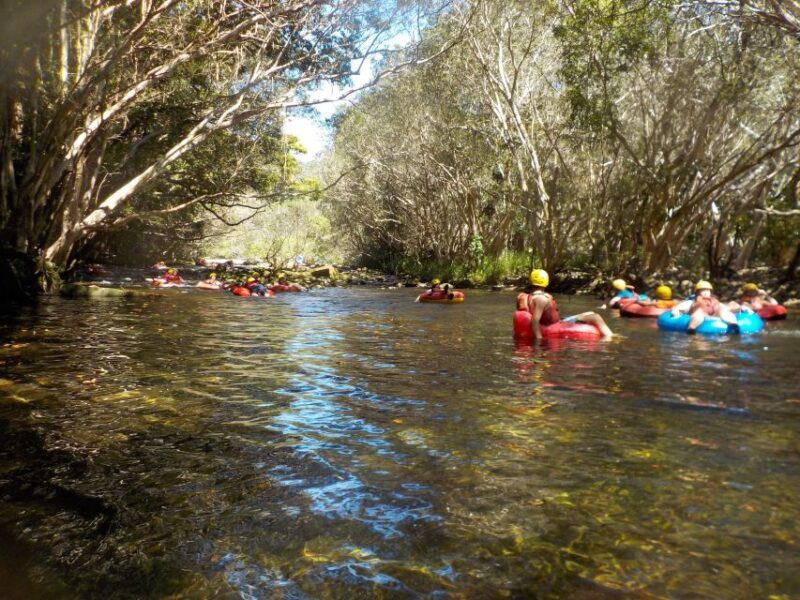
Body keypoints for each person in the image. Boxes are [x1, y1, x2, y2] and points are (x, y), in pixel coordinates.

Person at [524, 269, 613, 340]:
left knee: (590, 312)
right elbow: (535, 321)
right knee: (596, 316)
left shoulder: (531, 296)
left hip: (558, 321)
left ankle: (610, 335)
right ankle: (610, 338)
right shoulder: (541, 299)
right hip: (556, 325)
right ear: (546, 282)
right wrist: (539, 340)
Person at [672, 280, 739, 334]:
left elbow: (725, 308)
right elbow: (678, 307)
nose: (706, 292)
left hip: (714, 315)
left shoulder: (714, 301)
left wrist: (734, 308)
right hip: (700, 315)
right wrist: (676, 311)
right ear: (697, 293)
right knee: (698, 313)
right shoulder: (692, 302)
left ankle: (733, 324)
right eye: (703, 290)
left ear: (711, 292)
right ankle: (691, 328)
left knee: (723, 310)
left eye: (707, 290)